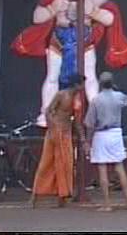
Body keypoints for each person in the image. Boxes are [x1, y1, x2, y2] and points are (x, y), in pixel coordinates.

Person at [12, 0, 127, 127]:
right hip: (58, 41)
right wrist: (53, 8)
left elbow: (110, 19)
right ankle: (45, 112)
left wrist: (93, 11)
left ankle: (96, 115)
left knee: (90, 78)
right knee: (52, 77)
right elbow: (36, 18)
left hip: (85, 41)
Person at [31, 74, 86, 208]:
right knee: (46, 164)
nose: (83, 87)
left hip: (66, 135)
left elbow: (77, 122)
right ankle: (35, 197)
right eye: (82, 84)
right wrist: (53, 128)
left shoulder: (77, 100)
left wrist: (83, 139)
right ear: (76, 85)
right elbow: (49, 111)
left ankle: (62, 197)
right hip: (55, 133)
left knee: (65, 165)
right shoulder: (62, 95)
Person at [84, 71, 127, 212]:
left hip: (101, 134)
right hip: (116, 133)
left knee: (102, 169)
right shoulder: (119, 97)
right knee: (119, 167)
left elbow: (90, 124)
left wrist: (88, 141)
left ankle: (107, 203)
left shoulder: (96, 100)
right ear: (112, 83)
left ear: (99, 83)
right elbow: (126, 100)